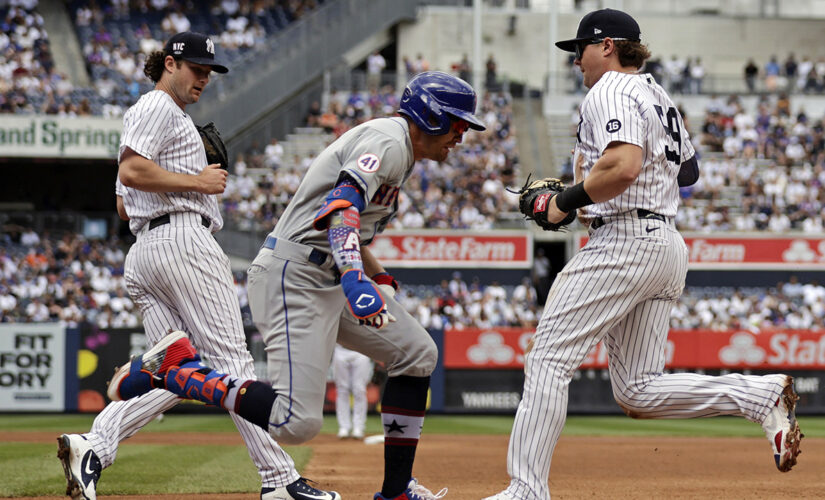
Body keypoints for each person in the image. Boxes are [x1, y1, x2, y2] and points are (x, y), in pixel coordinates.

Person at [106, 71, 486, 500]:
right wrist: (356, 278)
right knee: (295, 423)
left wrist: (374, 274)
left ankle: (396, 492)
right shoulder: (389, 139)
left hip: (326, 273)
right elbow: (341, 207)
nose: (461, 136)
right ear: (431, 118)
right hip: (296, 276)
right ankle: (175, 372)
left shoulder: (399, 149)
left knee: (418, 354)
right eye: (457, 125)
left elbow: (351, 229)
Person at [484, 9, 802, 500]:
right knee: (636, 388)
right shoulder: (658, 94)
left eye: (581, 49)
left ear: (607, 45)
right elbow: (688, 172)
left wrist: (563, 201)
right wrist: (594, 192)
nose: (577, 61)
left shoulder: (609, 88)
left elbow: (626, 165)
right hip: (664, 243)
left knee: (548, 360)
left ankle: (527, 490)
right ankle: (757, 396)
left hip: (625, 242)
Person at [56, 32, 340, 500]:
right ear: (170, 64)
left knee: (178, 371)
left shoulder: (157, 118)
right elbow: (131, 174)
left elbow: (124, 205)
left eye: (209, 72)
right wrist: (198, 181)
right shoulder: (157, 107)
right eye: (197, 69)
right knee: (231, 362)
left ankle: (95, 445)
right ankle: (280, 481)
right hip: (183, 241)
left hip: (146, 249)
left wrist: (179, 180)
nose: (204, 79)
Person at [333, 344, 374, 439]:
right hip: (340, 349)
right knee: (342, 390)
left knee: (359, 390)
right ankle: (344, 427)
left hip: (361, 349)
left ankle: (358, 427)